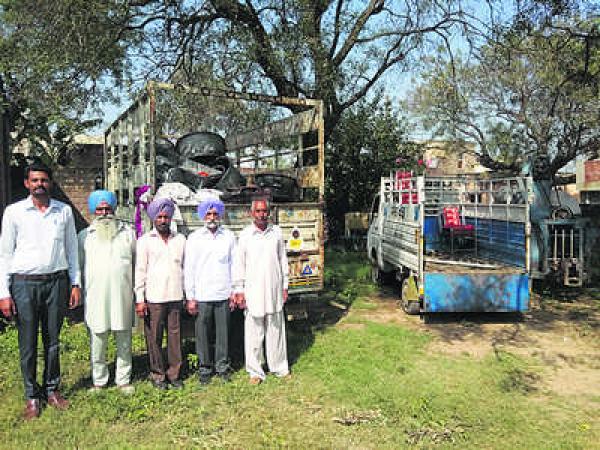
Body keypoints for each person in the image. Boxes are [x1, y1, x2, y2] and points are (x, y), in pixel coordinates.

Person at [0, 163, 81, 420]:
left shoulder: (63, 211)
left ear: (51, 183)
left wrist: (75, 283)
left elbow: (72, 250)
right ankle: (32, 396)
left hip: (56, 283)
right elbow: (5, 254)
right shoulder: (14, 212)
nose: (39, 185)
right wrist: (4, 293)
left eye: (44, 180)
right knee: (27, 342)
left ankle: (52, 390)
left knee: (52, 340)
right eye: (34, 180)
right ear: (27, 183)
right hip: (24, 284)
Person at [78, 190, 136, 394]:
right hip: (96, 297)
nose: (104, 213)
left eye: (107, 209)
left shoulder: (128, 233)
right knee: (98, 339)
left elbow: (136, 263)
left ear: (114, 209)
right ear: (93, 211)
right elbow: (79, 267)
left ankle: (123, 379)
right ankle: (99, 380)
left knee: (124, 339)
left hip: (123, 296)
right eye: (100, 209)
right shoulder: (85, 236)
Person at [233, 198, 290, 385]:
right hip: (253, 291)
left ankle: (279, 367)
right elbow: (239, 265)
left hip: (274, 288)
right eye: (258, 211)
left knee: (276, 330)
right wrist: (239, 290)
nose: (261, 214)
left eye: (264, 211)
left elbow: (283, 260)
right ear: (252, 213)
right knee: (254, 333)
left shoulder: (276, 233)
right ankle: (255, 372)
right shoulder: (245, 235)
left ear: (269, 212)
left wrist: (285, 286)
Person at [134, 198, 186, 390]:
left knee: (175, 337)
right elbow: (140, 270)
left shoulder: (180, 240)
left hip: (175, 295)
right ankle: (157, 374)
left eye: (166, 217)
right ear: (154, 219)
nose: (163, 220)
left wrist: (187, 294)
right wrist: (140, 299)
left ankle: (174, 374)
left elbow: (186, 268)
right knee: (154, 338)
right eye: (160, 217)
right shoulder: (145, 241)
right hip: (154, 297)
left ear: (171, 218)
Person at [184, 198, 236, 385]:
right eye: (208, 214)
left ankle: (222, 367)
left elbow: (234, 265)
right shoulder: (194, 238)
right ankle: (205, 369)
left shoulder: (228, 236)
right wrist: (190, 297)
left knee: (224, 333)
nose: (212, 217)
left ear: (220, 215)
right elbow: (189, 269)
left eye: (215, 214)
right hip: (202, 294)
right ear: (202, 216)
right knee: (202, 333)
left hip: (223, 292)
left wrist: (234, 291)